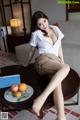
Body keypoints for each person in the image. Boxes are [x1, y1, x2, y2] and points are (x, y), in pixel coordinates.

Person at [24, 11, 70, 120]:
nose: (43, 25)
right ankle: (41, 99)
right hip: (43, 60)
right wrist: (26, 62)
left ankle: (61, 117)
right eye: (39, 24)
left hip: (55, 62)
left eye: (44, 21)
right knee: (67, 68)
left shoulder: (56, 29)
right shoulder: (36, 34)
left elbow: (59, 47)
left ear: (47, 18)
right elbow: (31, 51)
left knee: (57, 83)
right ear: (37, 26)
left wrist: (61, 63)